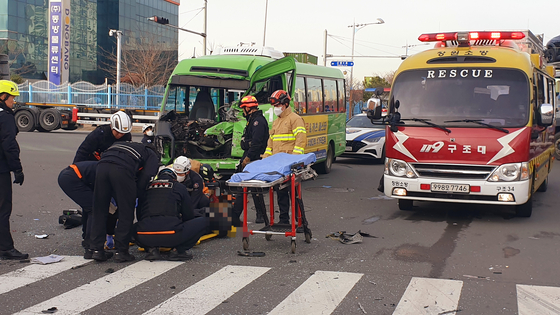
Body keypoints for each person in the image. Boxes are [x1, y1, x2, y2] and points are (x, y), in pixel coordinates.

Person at [89, 142, 160, 262]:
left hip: (101, 167)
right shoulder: (151, 154)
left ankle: (97, 250)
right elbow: (147, 174)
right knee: (126, 212)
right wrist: (136, 193)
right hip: (122, 169)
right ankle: (121, 251)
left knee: (100, 209)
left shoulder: (124, 145)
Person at [135, 168, 209, 261]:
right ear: (174, 178)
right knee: (205, 221)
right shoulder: (179, 187)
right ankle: (177, 251)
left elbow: (139, 215)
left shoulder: (146, 187)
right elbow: (188, 215)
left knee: (130, 226)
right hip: (171, 234)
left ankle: (151, 250)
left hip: (144, 235)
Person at [263, 90, 307, 225]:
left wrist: (294, 161)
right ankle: (284, 220)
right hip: (278, 165)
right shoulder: (276, 122)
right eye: (274, 106)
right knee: (280, 194)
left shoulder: (295, 119)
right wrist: (266, 157)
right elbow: (271, 142)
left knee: (294, 195)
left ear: (285, 104)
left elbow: (300, 141)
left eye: (277, 105)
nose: (276, 108)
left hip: (290, 165)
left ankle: (301, 222)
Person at [231, 95, 269, 226]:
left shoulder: (258, 122)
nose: (243, 111)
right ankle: (260, 215)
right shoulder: (251, 120)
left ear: (249, 108)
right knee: (251, 188)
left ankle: (237, 216)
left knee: (248, 188)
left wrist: (247, 158)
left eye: (243, 108)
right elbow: (244, 142)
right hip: (251, 157)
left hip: (254, 159)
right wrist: (246, 144)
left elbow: (256, 144)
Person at [0, 80, 27, 260]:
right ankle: (6, 248)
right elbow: (9, 145)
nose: (13, 101)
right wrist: (17, 169)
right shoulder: (5, 116)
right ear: (3, 96)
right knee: (3, 209)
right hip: (1, 170)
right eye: (12, 98)